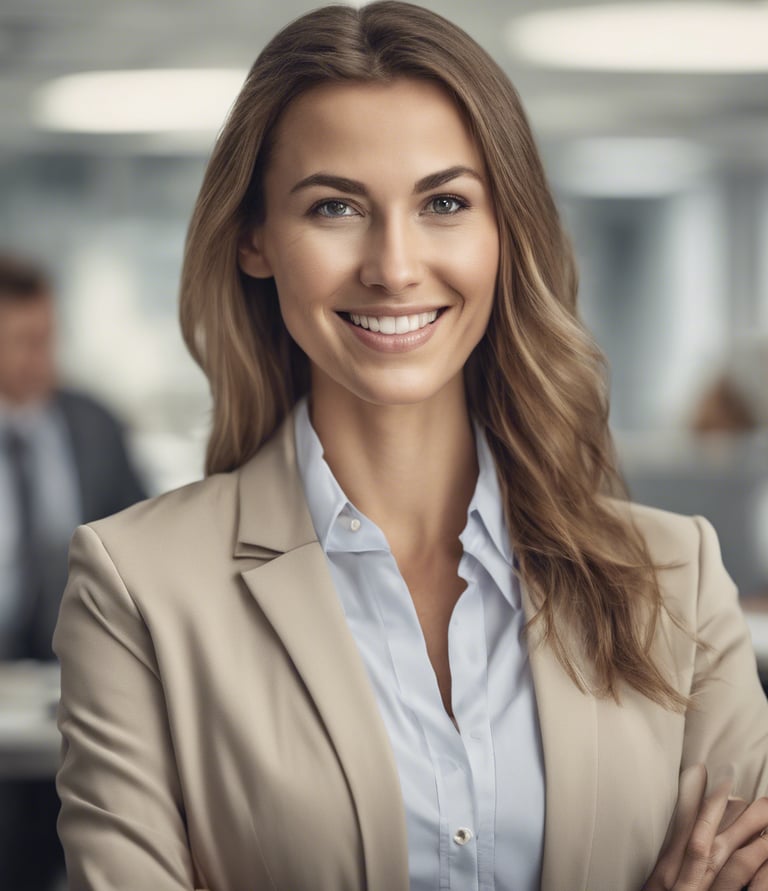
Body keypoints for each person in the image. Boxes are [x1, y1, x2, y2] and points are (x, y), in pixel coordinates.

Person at [53, 3, 768, 890]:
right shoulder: (137, 587)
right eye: (335, 206)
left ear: (505, 230)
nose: (393, 267)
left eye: (444, 203)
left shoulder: (675, 577)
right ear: (254, 238)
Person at [0, 255, 147, 891]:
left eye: (47, 337)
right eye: (21, 341)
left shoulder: (93, 424)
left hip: (80, 684)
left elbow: (144, 548)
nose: (41, 358)